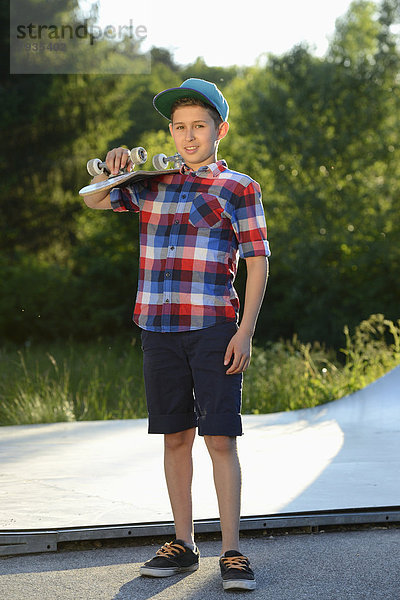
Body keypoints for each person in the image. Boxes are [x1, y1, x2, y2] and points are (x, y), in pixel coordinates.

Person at [83, 78, 270, 591]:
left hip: (213, 328)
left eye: (199, 127)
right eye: (180, 127)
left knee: (219, 438)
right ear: (171, 130)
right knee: (175, 436)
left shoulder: (239, 188)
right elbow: (95, 203)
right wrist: (112, 168)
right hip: (158, 329)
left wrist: (245, 331)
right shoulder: (152, 182)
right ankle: (184, 543)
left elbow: (257, 260)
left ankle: (231, 551)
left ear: (219, 130)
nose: (188, 137)